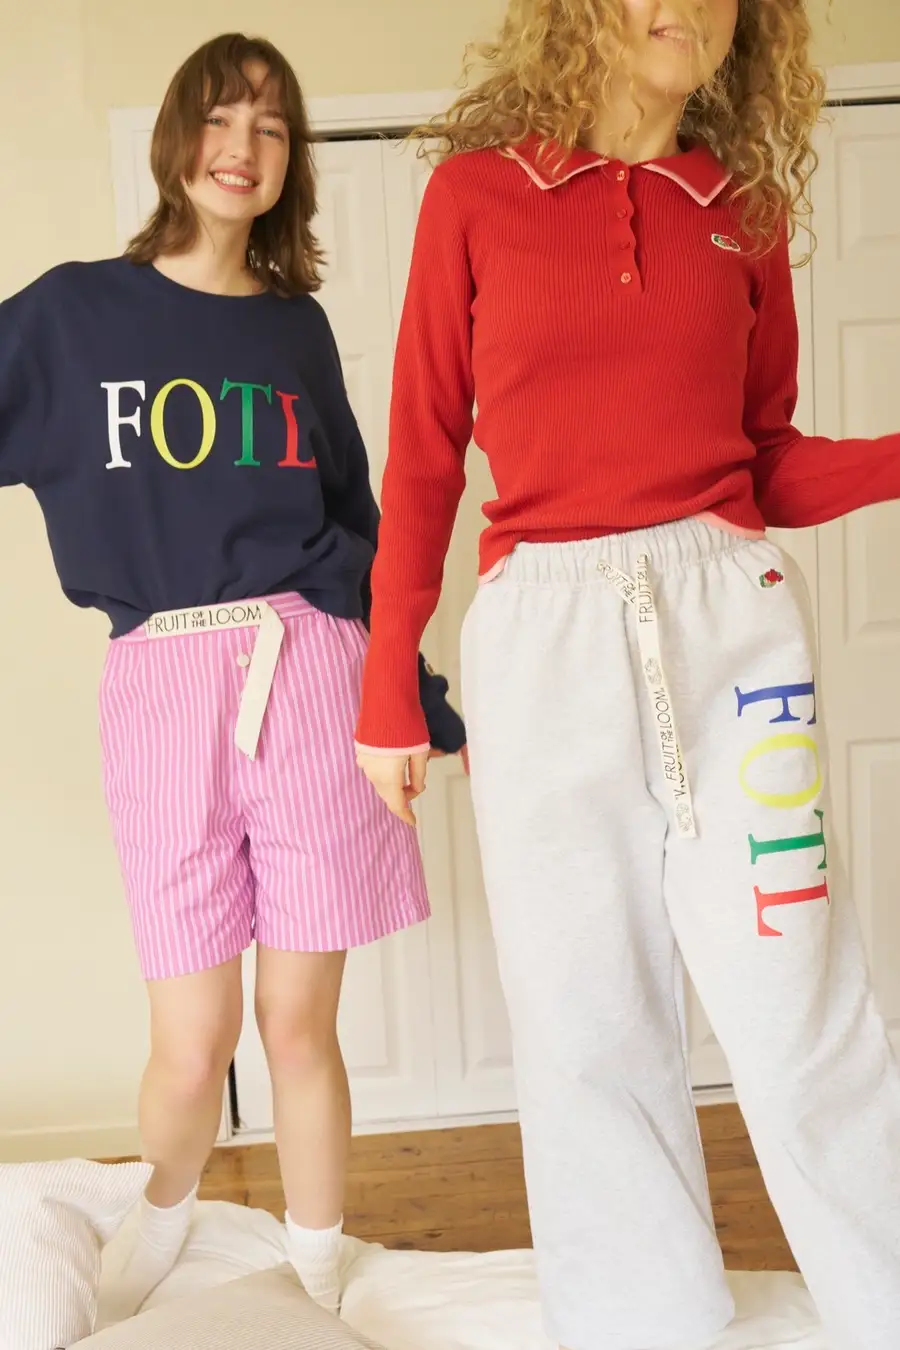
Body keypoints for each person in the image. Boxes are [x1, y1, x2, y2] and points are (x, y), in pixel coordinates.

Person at [355, 2, 900, 1348]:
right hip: (541, 640)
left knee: (802, 1003)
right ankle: (642, 1323)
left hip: (735, 629)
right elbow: (423, 454)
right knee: (584, 1022)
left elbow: (767, 460)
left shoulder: (742, 210)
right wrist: (385, 684)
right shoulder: (475, 198)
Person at [0, 31, 465, 1320]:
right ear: (175, 137)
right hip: (160, 684)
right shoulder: (71, 315)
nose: (242, 149)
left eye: (270, 128)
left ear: (289, 162)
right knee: (192, 1036)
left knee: (298, 1020)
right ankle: (157, 1229)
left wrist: (412, 696)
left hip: (307, 669)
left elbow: (354, 530)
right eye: (220, 118)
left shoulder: (293, 330)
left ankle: (319, 1280)